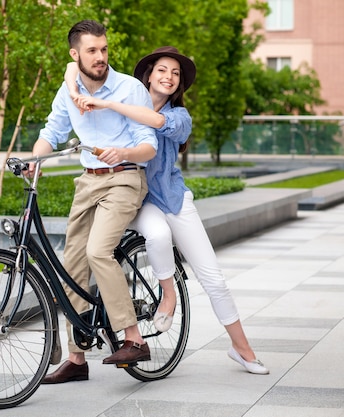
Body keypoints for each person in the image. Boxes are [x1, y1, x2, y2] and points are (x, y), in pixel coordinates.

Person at [68, 46, 270, 375]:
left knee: (214, 279)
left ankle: (242, 349)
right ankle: (168, 294)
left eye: (175, 74)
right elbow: (75, 64)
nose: (169, 77)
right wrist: (74, 80)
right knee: (157, 235)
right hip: (136, 198)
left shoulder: (179, 117)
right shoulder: (124, 99)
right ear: (148, 74)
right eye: (162, 70)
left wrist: (105, 102)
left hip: (173, 197)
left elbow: (155, 120)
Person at [28, 20, 158, 384]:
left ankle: (134, 339)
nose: (100, 57)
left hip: (126, 177)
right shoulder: (67, 91)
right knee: (71, 265)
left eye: (103, 49)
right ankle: (76, 357)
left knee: (98, 250)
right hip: (88, 182)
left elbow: (150, 144)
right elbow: (50, 134)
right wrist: (32, 161)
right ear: (75, 55)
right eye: (92, 51)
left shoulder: (129, 88)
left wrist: (125, 152)